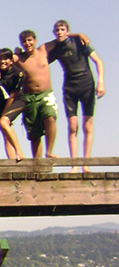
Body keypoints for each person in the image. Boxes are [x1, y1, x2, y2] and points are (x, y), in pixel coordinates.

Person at [46, 20, 105, 171]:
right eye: (57, 30)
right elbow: (40, 60)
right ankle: (74, 164)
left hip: (86, 85)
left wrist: (101, 82)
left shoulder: (79, 42)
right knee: (73, 126)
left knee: (87, 125)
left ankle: (86, 163)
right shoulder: (56, 49)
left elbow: (98, 62)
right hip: (69, 87)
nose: (59, 32)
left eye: (62, 29)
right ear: (54, 33)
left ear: (67, 30)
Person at [13, 30, 58, 159]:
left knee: (50, 116)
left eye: (30, 40)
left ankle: (49, 151)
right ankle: (37, 164)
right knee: (34, 132)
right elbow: (2, 60)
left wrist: (79, 35)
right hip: (29, 97)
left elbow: (61, 39)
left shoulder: (43, 50)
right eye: (24, 41)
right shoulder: (19, 58)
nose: (27, 43)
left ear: (35, 40)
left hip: (46, 94)